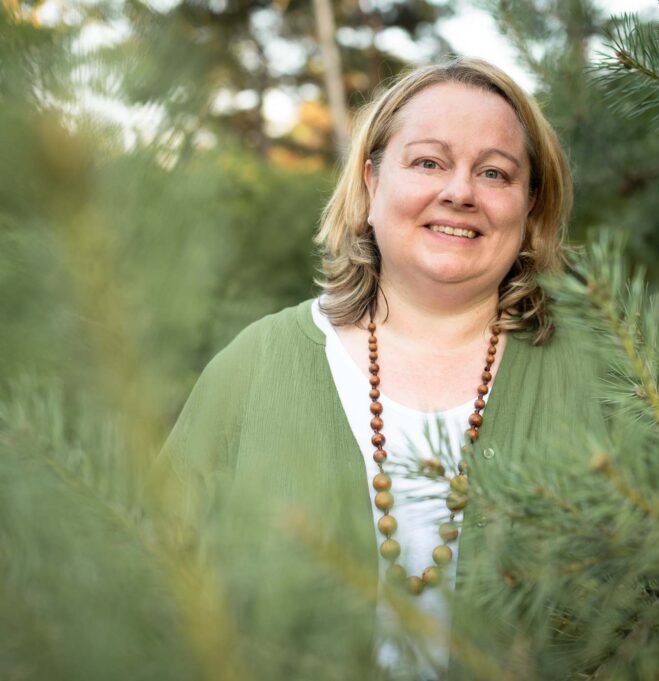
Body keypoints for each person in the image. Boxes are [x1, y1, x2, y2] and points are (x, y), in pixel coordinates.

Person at [164, 58, 603, 680]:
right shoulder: (254, 364)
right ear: (372, 183)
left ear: (530, 207)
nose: (460, 192)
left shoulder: (610, 380)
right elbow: (146, 590)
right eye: (428, 162)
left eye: (494, 172)